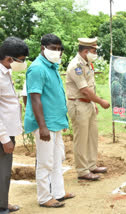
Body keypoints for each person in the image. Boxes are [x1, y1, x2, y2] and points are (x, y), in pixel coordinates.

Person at [24, 34, 75, 208]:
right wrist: (42, 126)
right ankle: (44, 197)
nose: (57, 52)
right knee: (45, 162)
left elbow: (55, 96)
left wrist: (63, 120)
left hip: (56, 122)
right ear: (42, 48)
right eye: (53, 48)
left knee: (56, 159)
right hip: (44, 124)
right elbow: (35, 99)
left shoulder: (52, 66)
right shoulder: (37, 68)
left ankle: (58, 193)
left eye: (59, 49)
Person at [66, 38, 110, 181]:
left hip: (88, 104)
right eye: (94, 51)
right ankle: (82, 170)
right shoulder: (76, 66)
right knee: (81, 139)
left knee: (92, 136)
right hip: (78, 104)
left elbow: (90, 86)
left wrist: (94, 103)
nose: (95, 53)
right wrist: (101, 101)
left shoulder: (87, 63)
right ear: (85, 51)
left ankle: (91, 165)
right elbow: (84, 90)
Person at [0, 36, 28, 214]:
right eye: (22, 60)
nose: (23, 64)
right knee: (2, 172)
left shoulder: (5, 72)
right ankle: (2, 206)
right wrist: (4, 138)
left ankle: (3, 202)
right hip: (3, 134)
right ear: (10, 59)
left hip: (7, 131)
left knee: (4, 171)